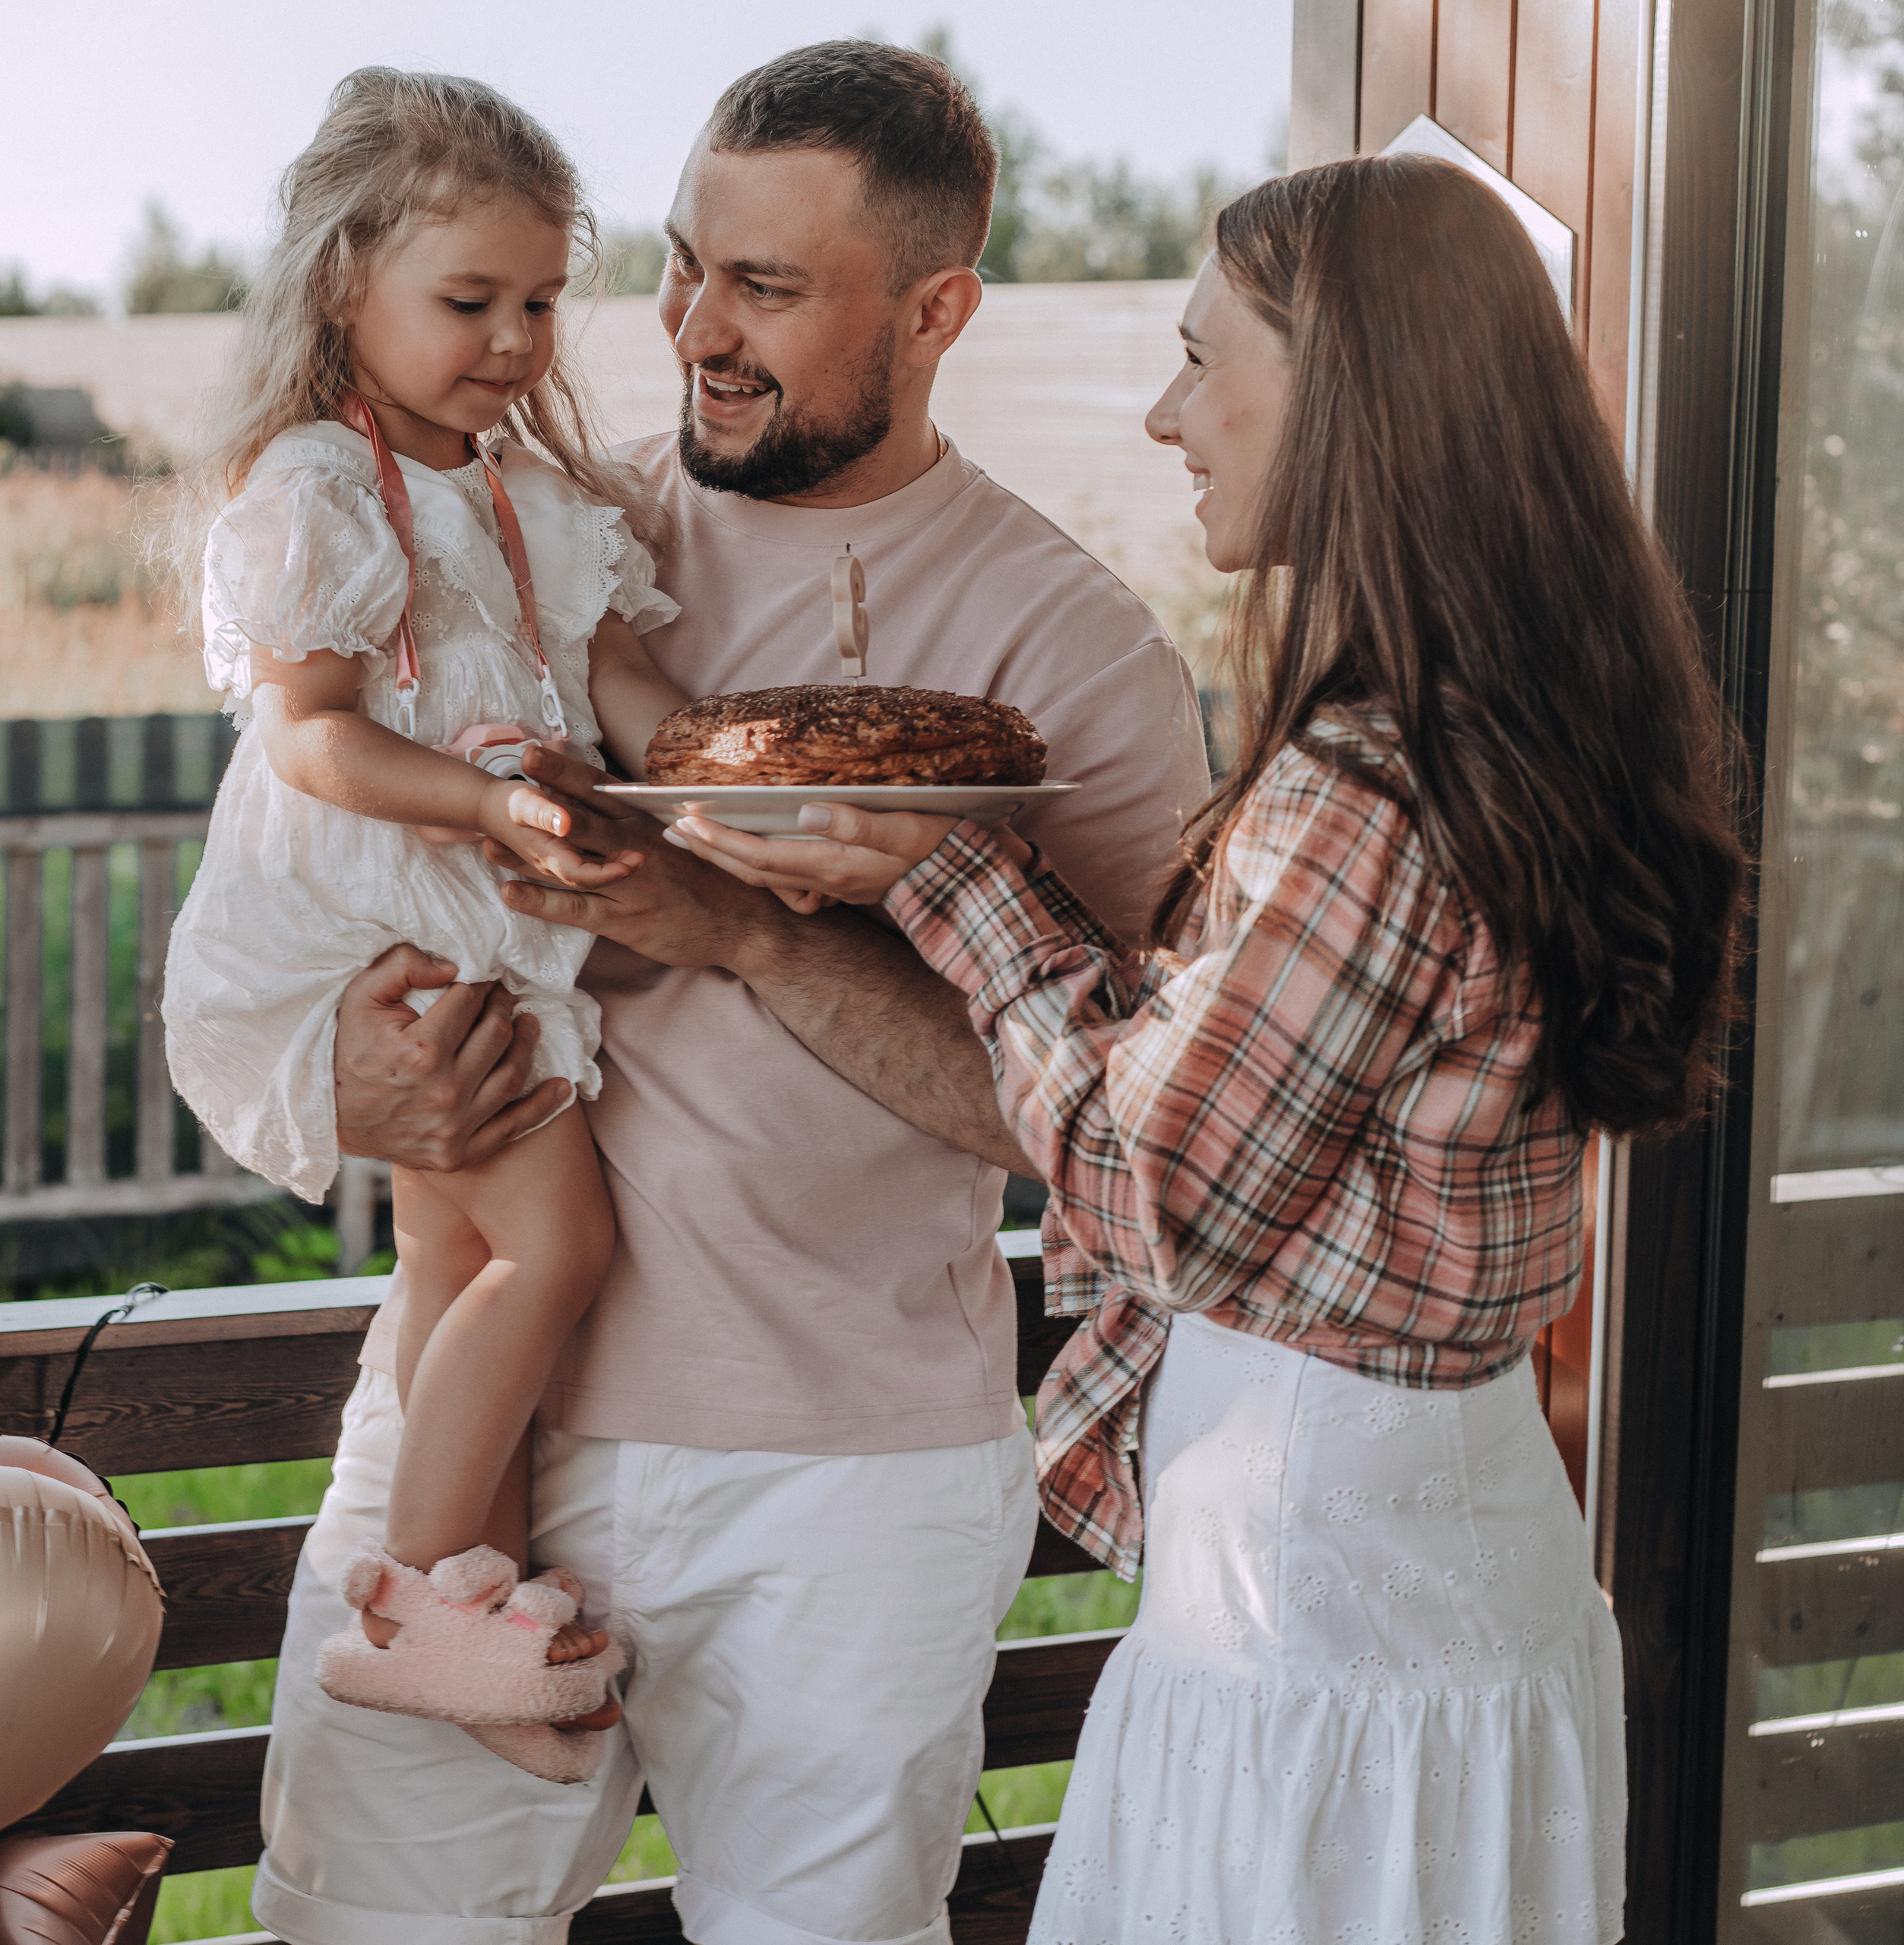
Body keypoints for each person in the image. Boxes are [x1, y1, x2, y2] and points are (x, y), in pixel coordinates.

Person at [672, 157, 1749, 1942]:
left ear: (1339, 390)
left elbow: (1154, 1182)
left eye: (1197, 358)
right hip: (1445, 1562)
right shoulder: (1533, 728)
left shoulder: (1376, 780)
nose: (1167, 414)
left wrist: (955, 871)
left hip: (1315, 1602)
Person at [252, 41, 1212, 1945]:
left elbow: (1146, 1126)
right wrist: (342, 1072)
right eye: (686, 264)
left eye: (765, 286)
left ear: (933, 309)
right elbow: (299, 848)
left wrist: (757, 930)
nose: (693, 325)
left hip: (851, 1480)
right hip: (473, 1438)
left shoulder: (1071, 655)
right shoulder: (513, 537)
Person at [160, 69, 689, 1781]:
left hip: (469, 918)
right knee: (559, 1250)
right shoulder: (320, 483)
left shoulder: (537, 503)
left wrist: (723, 770)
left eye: (539, 300)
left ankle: (470, 1587)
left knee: (465, 1260)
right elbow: (310, 732)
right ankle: (421, 1612)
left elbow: (640, 700)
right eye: (468, 301)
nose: (515, 339)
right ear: (344, 285)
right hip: (371, 926)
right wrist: (481, 803)